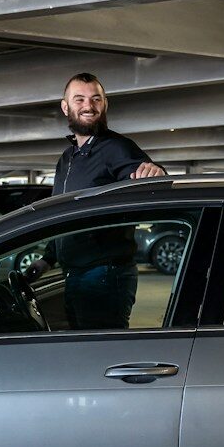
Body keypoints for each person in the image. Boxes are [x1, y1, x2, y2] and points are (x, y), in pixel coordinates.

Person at [33, 73, 165, 329]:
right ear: (65, 106)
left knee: (100, 354)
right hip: (75, 273)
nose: (88, 106)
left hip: (105, 274)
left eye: (96, 99)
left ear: (105, 104)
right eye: (79, 99)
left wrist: (157, 171)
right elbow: (61, 216)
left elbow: (154, 179)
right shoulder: (67, 159)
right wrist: (47, 259)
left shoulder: (116, 148)